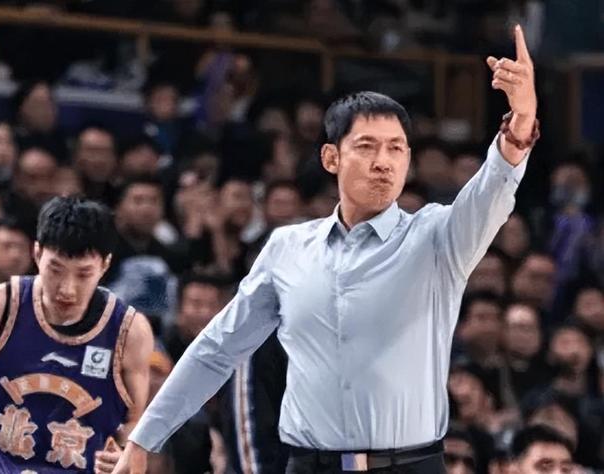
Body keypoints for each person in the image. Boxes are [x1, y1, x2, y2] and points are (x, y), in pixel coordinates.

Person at [115, 25, 539, 474]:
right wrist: (144, 439)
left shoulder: (438, 236)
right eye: (367, 146)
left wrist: (521, 122)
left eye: (396, 149)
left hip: (410, 465)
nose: (383, 161)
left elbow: (492, 191)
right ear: (331, 158)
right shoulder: (287, 248)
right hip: (308, 464)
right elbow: (217, 349)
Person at [0, 197, 154, 473]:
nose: (67, 289)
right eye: (56, 270)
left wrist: (125, 454)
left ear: (105, 265)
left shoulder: (129, 331)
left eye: (83, 274)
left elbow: (135, 424)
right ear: (37, 253)